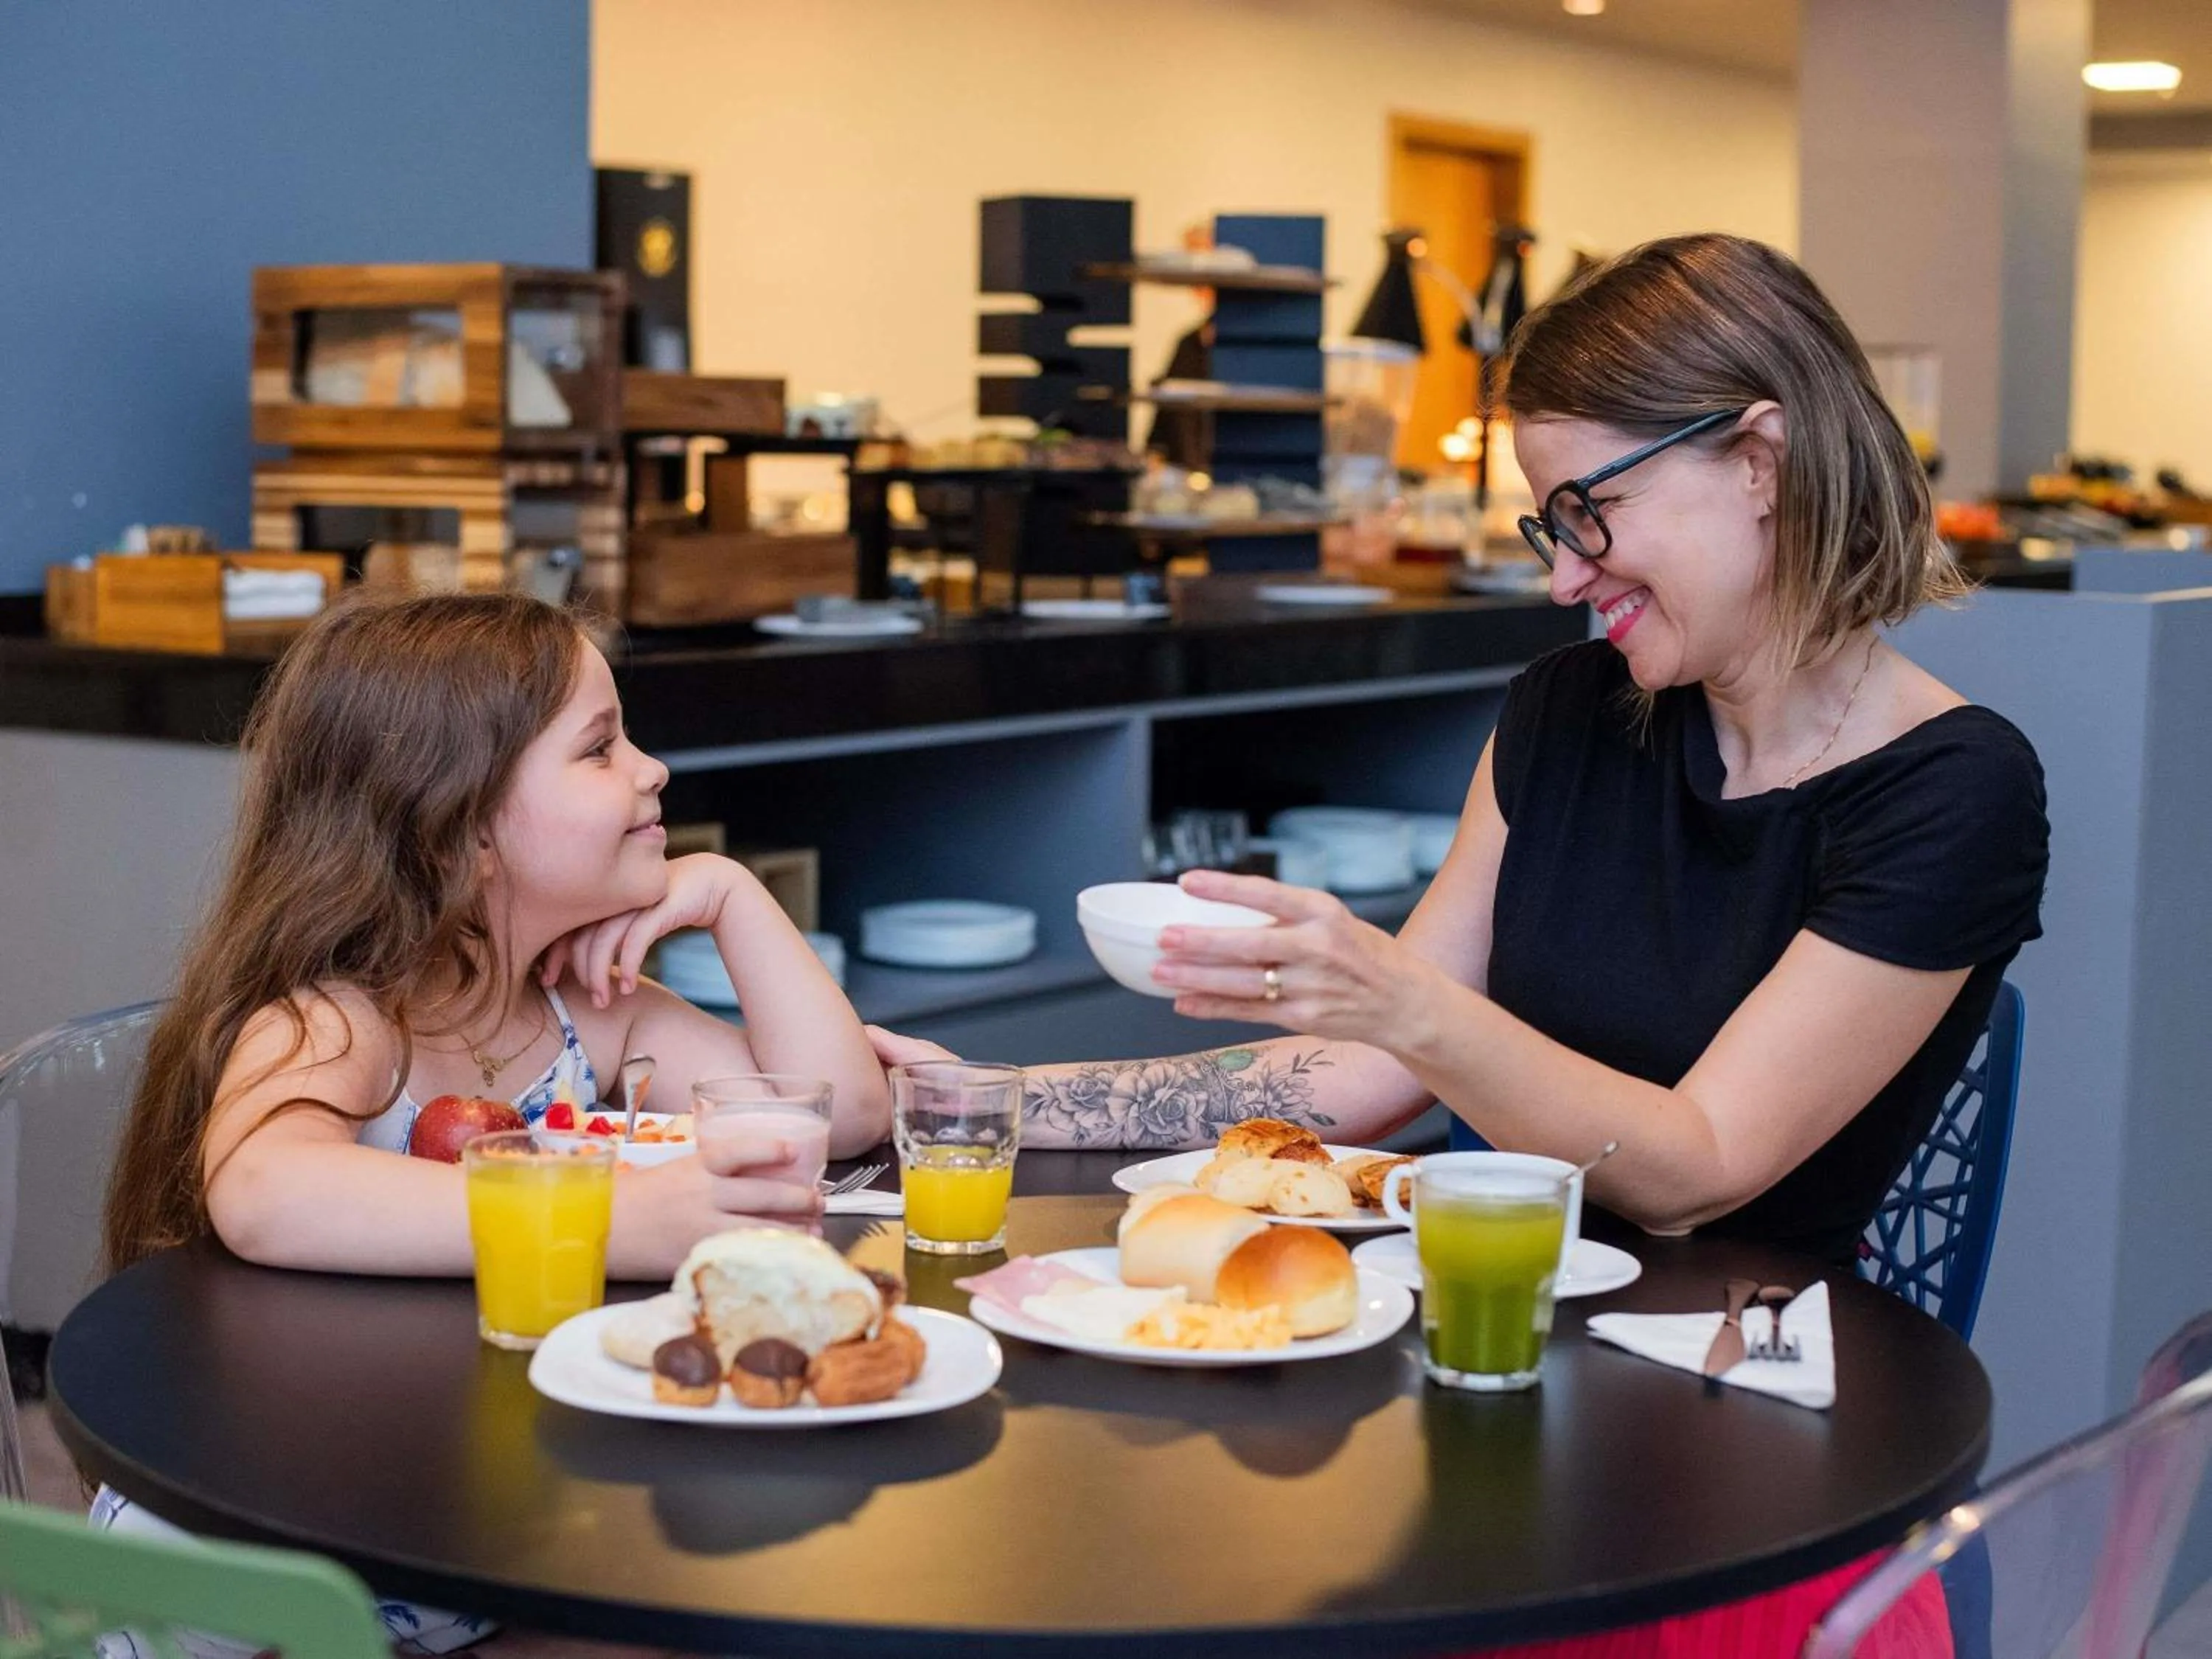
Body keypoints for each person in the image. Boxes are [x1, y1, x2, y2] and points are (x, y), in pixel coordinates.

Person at [875, 232, 2048, 1654]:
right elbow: (1362, 1080)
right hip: (1481, 1359)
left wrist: (1405, 1004)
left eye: (1588, 513)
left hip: (1742, 1438)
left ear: (1759, 460)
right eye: (1549, 529)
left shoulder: (1954, 790)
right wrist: (975, 1103)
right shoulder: (1566, 713)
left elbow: (1696, 1168)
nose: (1565, 578)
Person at [96, 589, 891, 1655]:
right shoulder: (343, 1018)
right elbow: (265, 1192)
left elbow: (838, 1112)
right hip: (268, 1561)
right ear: (462, 829)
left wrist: (731, 895)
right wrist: (614, 1216)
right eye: (600, 748)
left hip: (453, 1522)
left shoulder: (586, 1013)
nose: (653, 769)